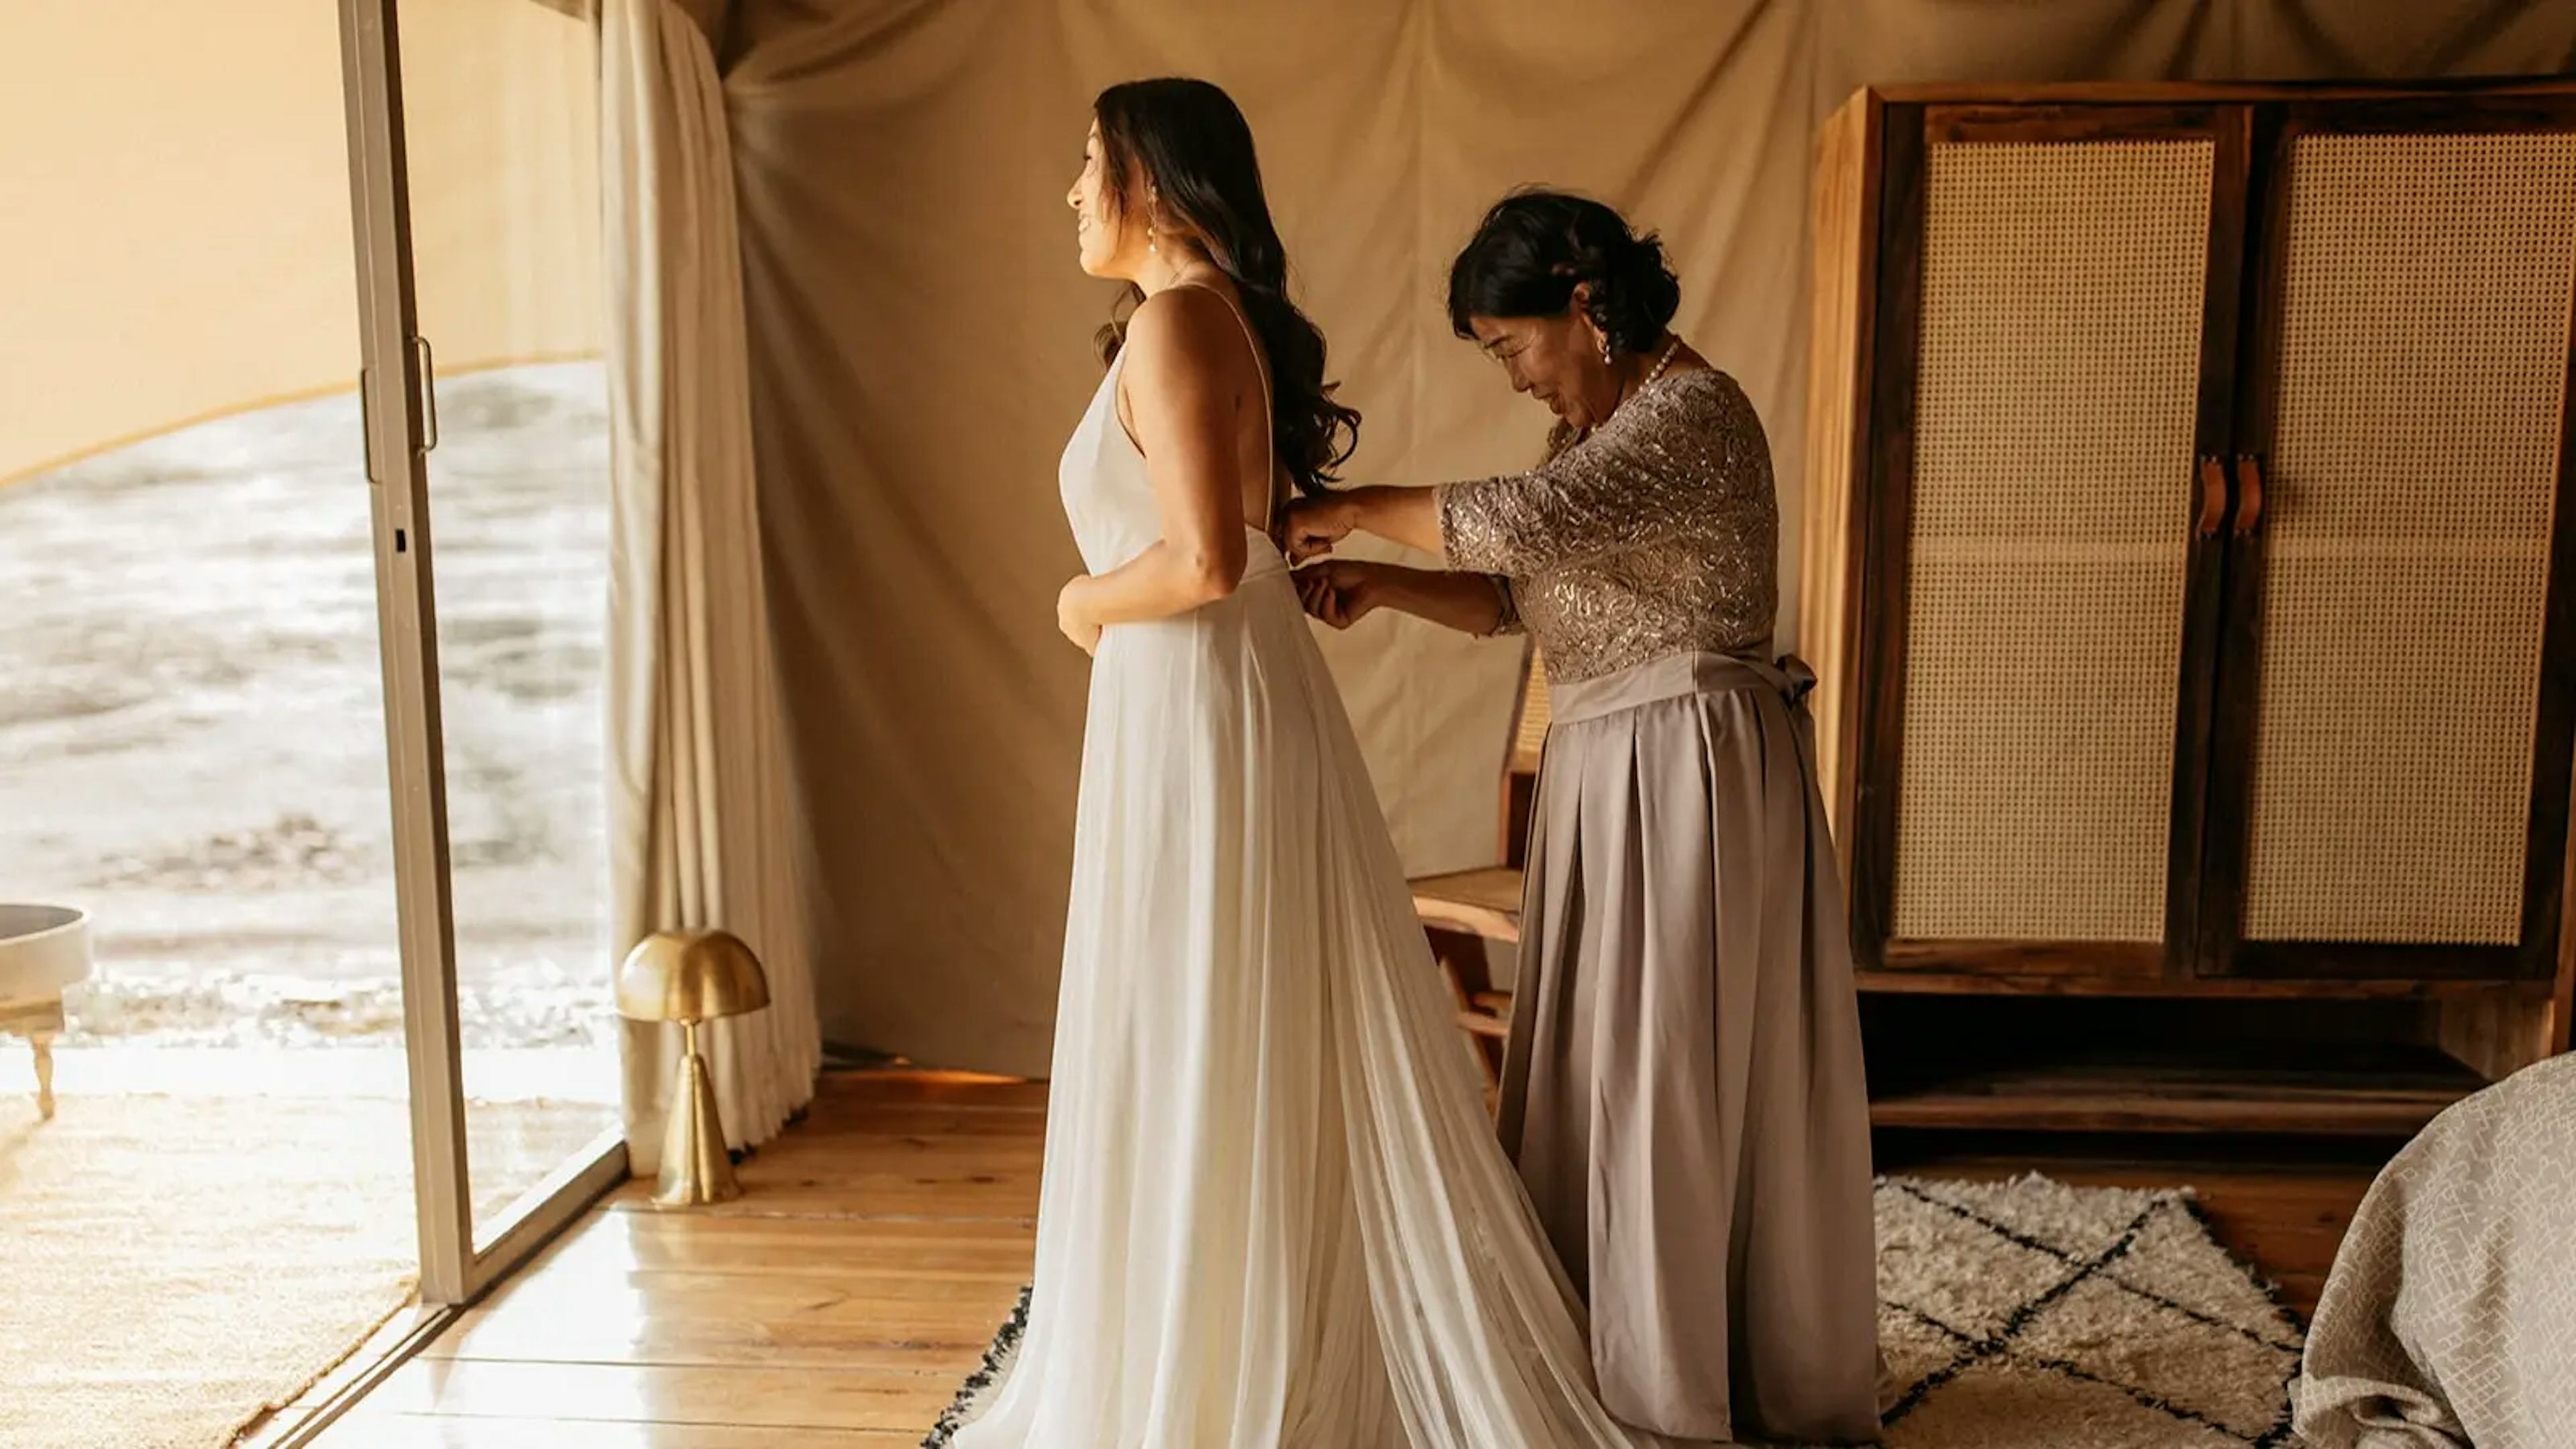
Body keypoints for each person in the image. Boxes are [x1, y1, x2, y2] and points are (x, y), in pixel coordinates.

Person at [953, 82, 1642, 1449]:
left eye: (1089, 164)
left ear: (1151, 178)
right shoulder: (1205, 325)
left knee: (1206, 1000)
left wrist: (1079, 606)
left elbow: (1209, 559)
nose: (1073, 193)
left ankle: (1214, 1363)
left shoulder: (1178, 321)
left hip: (1198, 700)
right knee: (1222, 1004)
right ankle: (1217, 1325)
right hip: (1202, 702)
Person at [1283, 191, 1884, 1447]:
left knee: (1665, 1076)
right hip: (1615, 766)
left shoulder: (1691, 412)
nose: (1514, 378)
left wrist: (1347, 504)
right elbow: (1523, 599)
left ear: (1581, 299)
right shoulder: (1599, 435)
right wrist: (1381, 586)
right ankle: (1608, 1343)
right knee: (1609, 1077)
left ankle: (1674, 1390)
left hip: (1689, 772)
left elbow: (1518, 524)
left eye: (1509, 346)